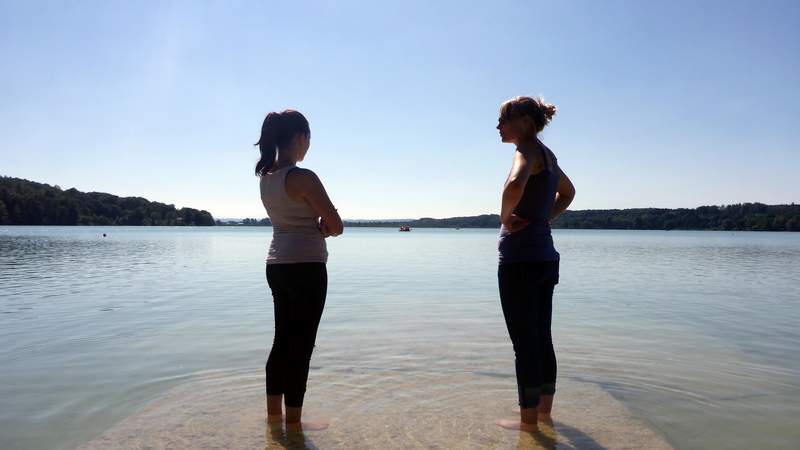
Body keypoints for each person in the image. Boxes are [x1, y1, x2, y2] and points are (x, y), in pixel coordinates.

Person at [255, 109, 343, 431]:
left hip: (276, 264)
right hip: (306, 265)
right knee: (302, 345)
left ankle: (273, 418)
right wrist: (325, 227)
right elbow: (337, 225)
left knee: (282, 340)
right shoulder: (303, 177)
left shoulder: (266, 180)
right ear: (300, 138)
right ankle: (293, 424)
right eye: (309, 139)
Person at [494, 96, 576, 431]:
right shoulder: (549, 156)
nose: (498, 126)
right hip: (545, 259)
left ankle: (528, 425)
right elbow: (568, 193)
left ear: (525, 121)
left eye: (503, 119)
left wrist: (504, 218)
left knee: (524, 344)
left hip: (520, 260)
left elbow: (515, 184)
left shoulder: (526, 151)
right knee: (542, 337)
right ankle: (543, 413)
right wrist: (544, 217)